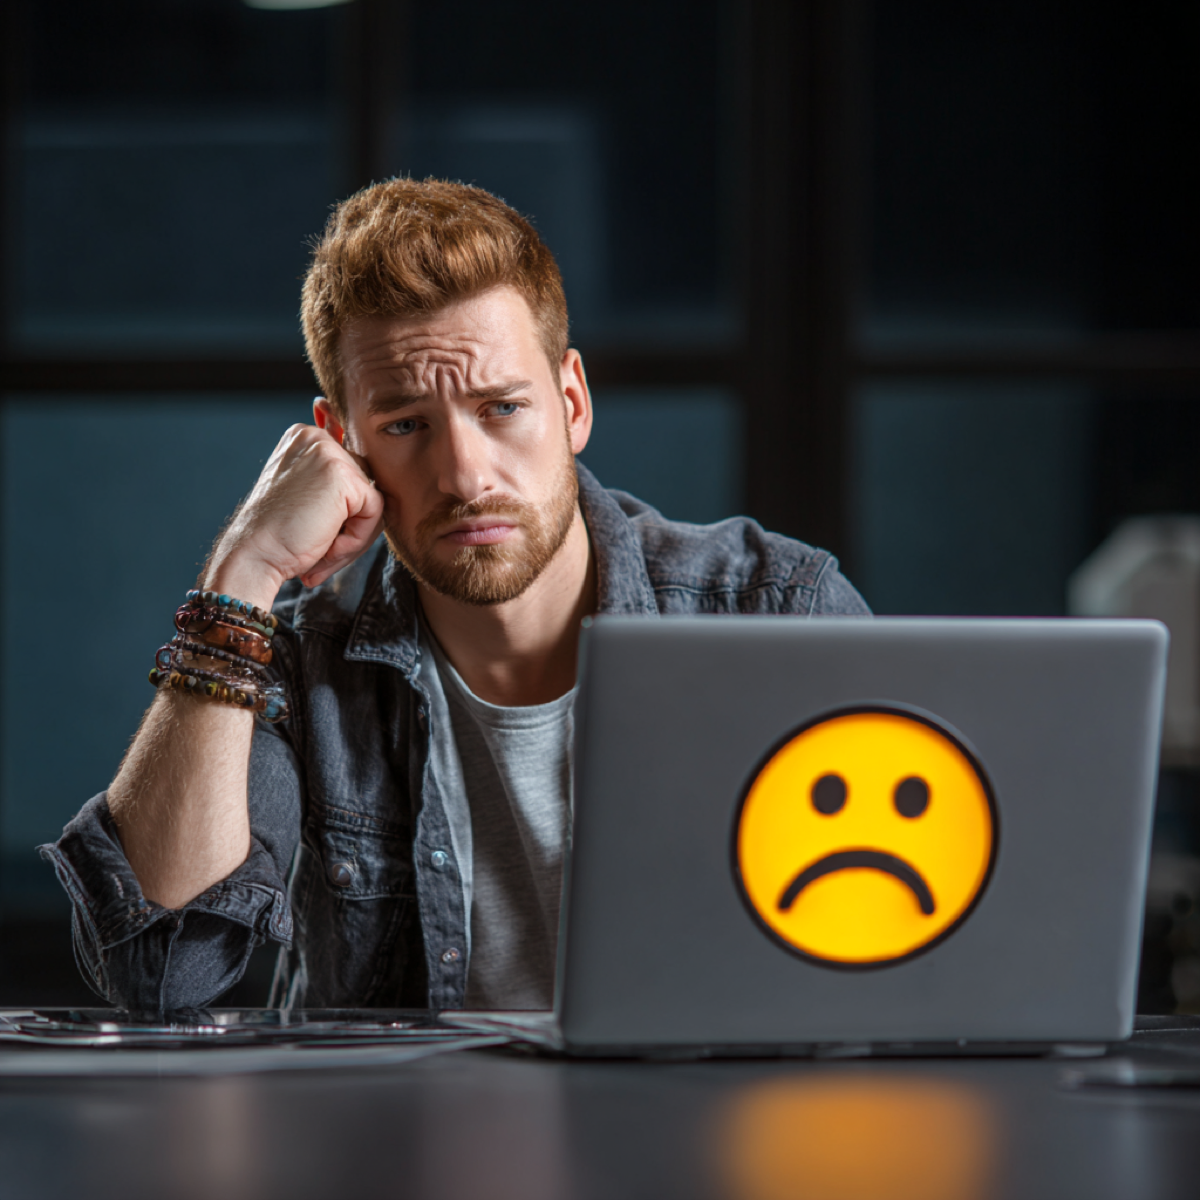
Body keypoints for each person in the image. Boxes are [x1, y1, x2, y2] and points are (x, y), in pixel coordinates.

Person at [41, 179, 870, 1013]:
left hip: (691, 1133)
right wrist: (240, 573)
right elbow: (161, 974)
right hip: (395, 1139)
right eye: (406, 426)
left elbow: (893, 965)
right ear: (342, 445)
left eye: (502, 408)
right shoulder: (296, 662)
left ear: (572, 403)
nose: (465, 477)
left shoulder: (774, 610)